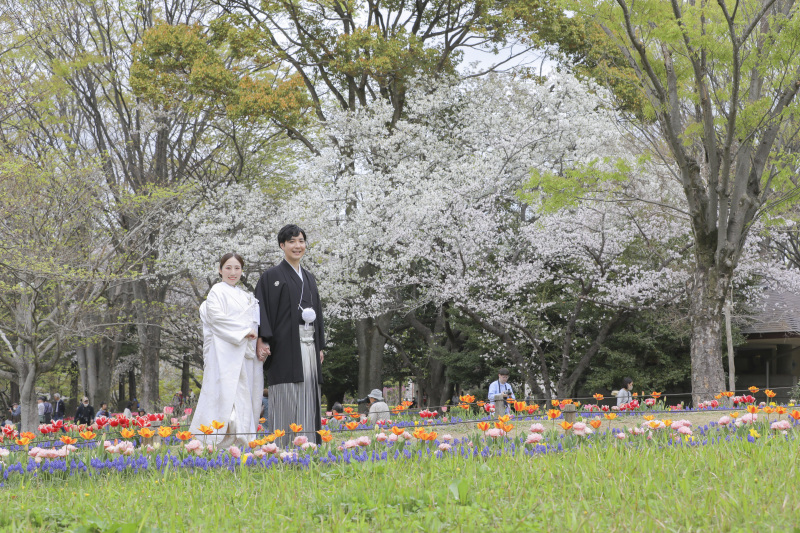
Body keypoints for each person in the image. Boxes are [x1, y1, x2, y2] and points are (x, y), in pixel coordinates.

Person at [255, 224, 325, 446]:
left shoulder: (309, 278)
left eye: (301, 241)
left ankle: (309, 445)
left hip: (309, 344)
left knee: (308, 393)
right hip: (285, 347)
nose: (298, 246)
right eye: (292, 242)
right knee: (286, 393)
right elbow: (262, 311)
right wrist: (262, 339)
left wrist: (320, 345)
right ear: (282, 245)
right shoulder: (271, 277)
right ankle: (283, 447)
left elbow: (319, 314)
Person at [189, 253, 263, 448]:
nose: (233, 272)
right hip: (224, 353)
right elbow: (216, 318)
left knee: (243, 396)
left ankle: (242, 438)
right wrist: (244, 330)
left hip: (243, 352)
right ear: (220, 270)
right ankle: (216, 440)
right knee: (223, 394)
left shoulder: (246, 295)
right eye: (228, 268)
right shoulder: (217, 291)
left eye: (237, 268)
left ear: (242, 271)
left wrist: (253, 335)